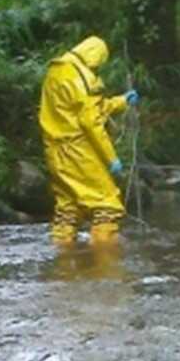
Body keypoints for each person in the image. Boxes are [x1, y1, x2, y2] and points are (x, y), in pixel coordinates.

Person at [38, 36, 140, 244]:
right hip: (79, 152)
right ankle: (104, 267)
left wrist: (121, 101)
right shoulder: (84, 78)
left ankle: (63, 264)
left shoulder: (56, 72)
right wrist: (111, 159)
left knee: (68, 209)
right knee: (107, 206)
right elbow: (90, 122)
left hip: (55, 152)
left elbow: (89, 108)